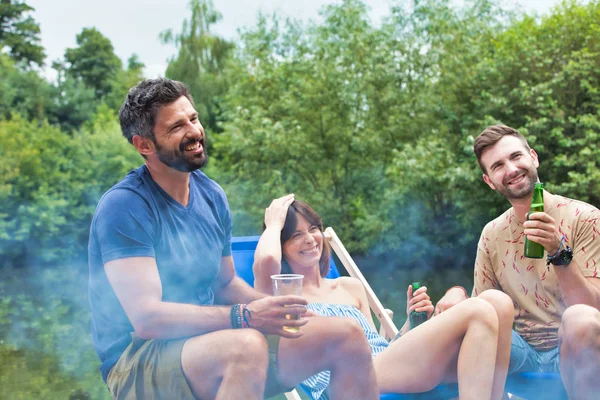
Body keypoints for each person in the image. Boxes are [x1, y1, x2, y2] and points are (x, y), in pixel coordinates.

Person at [87, 78, 380, 400]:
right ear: (144, 145)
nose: (194, 132)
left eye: (194, 119)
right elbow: (147, 320)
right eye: (176, 127)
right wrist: (245, 316)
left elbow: (225, 284)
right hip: (138, 360)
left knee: (346, 335)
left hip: (210, 339)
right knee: (246, 346)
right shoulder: (125, 206)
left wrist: (278, 308)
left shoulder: (210, 194)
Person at [253, 195, 514, 400]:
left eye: (313, 229)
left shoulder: (350, 287)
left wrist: (411, 322)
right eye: (296, 235)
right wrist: (274, 224)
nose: (310, 239)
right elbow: (266, 260)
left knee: (498, 302)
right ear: (281, 246)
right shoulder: (283, 296)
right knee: (478, 311)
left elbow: (379, 347)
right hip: (347, 380)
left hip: (387, 368)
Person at [435, 124, 600, 399]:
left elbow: (593, 313)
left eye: (516, 157)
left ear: (533, 157)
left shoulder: (586, 218)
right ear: (489, 181)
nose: (511, 169)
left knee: (579, 319)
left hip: (575, 347)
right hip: (523, 353)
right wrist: (458, 293)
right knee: (465, 330)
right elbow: (482, 312)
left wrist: (559, 253)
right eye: (498, 165)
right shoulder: (491, 234)